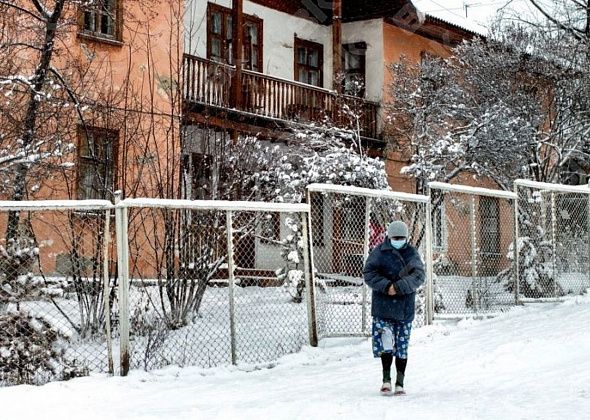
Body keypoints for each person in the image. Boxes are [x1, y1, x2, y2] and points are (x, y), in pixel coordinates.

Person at [363, 220, 425, 396]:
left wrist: (399, 287)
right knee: (386, 344)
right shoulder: (379, 252)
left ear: (406, 238)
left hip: (404, 308)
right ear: (389, 237)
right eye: (395, 237)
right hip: (383, 308)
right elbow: (369, 273)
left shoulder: (412, 254)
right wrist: (386, 286)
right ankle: (385, 380)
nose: (398, 240)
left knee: (402, 346)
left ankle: (400, 382)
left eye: (402, 238)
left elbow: (419, 275)